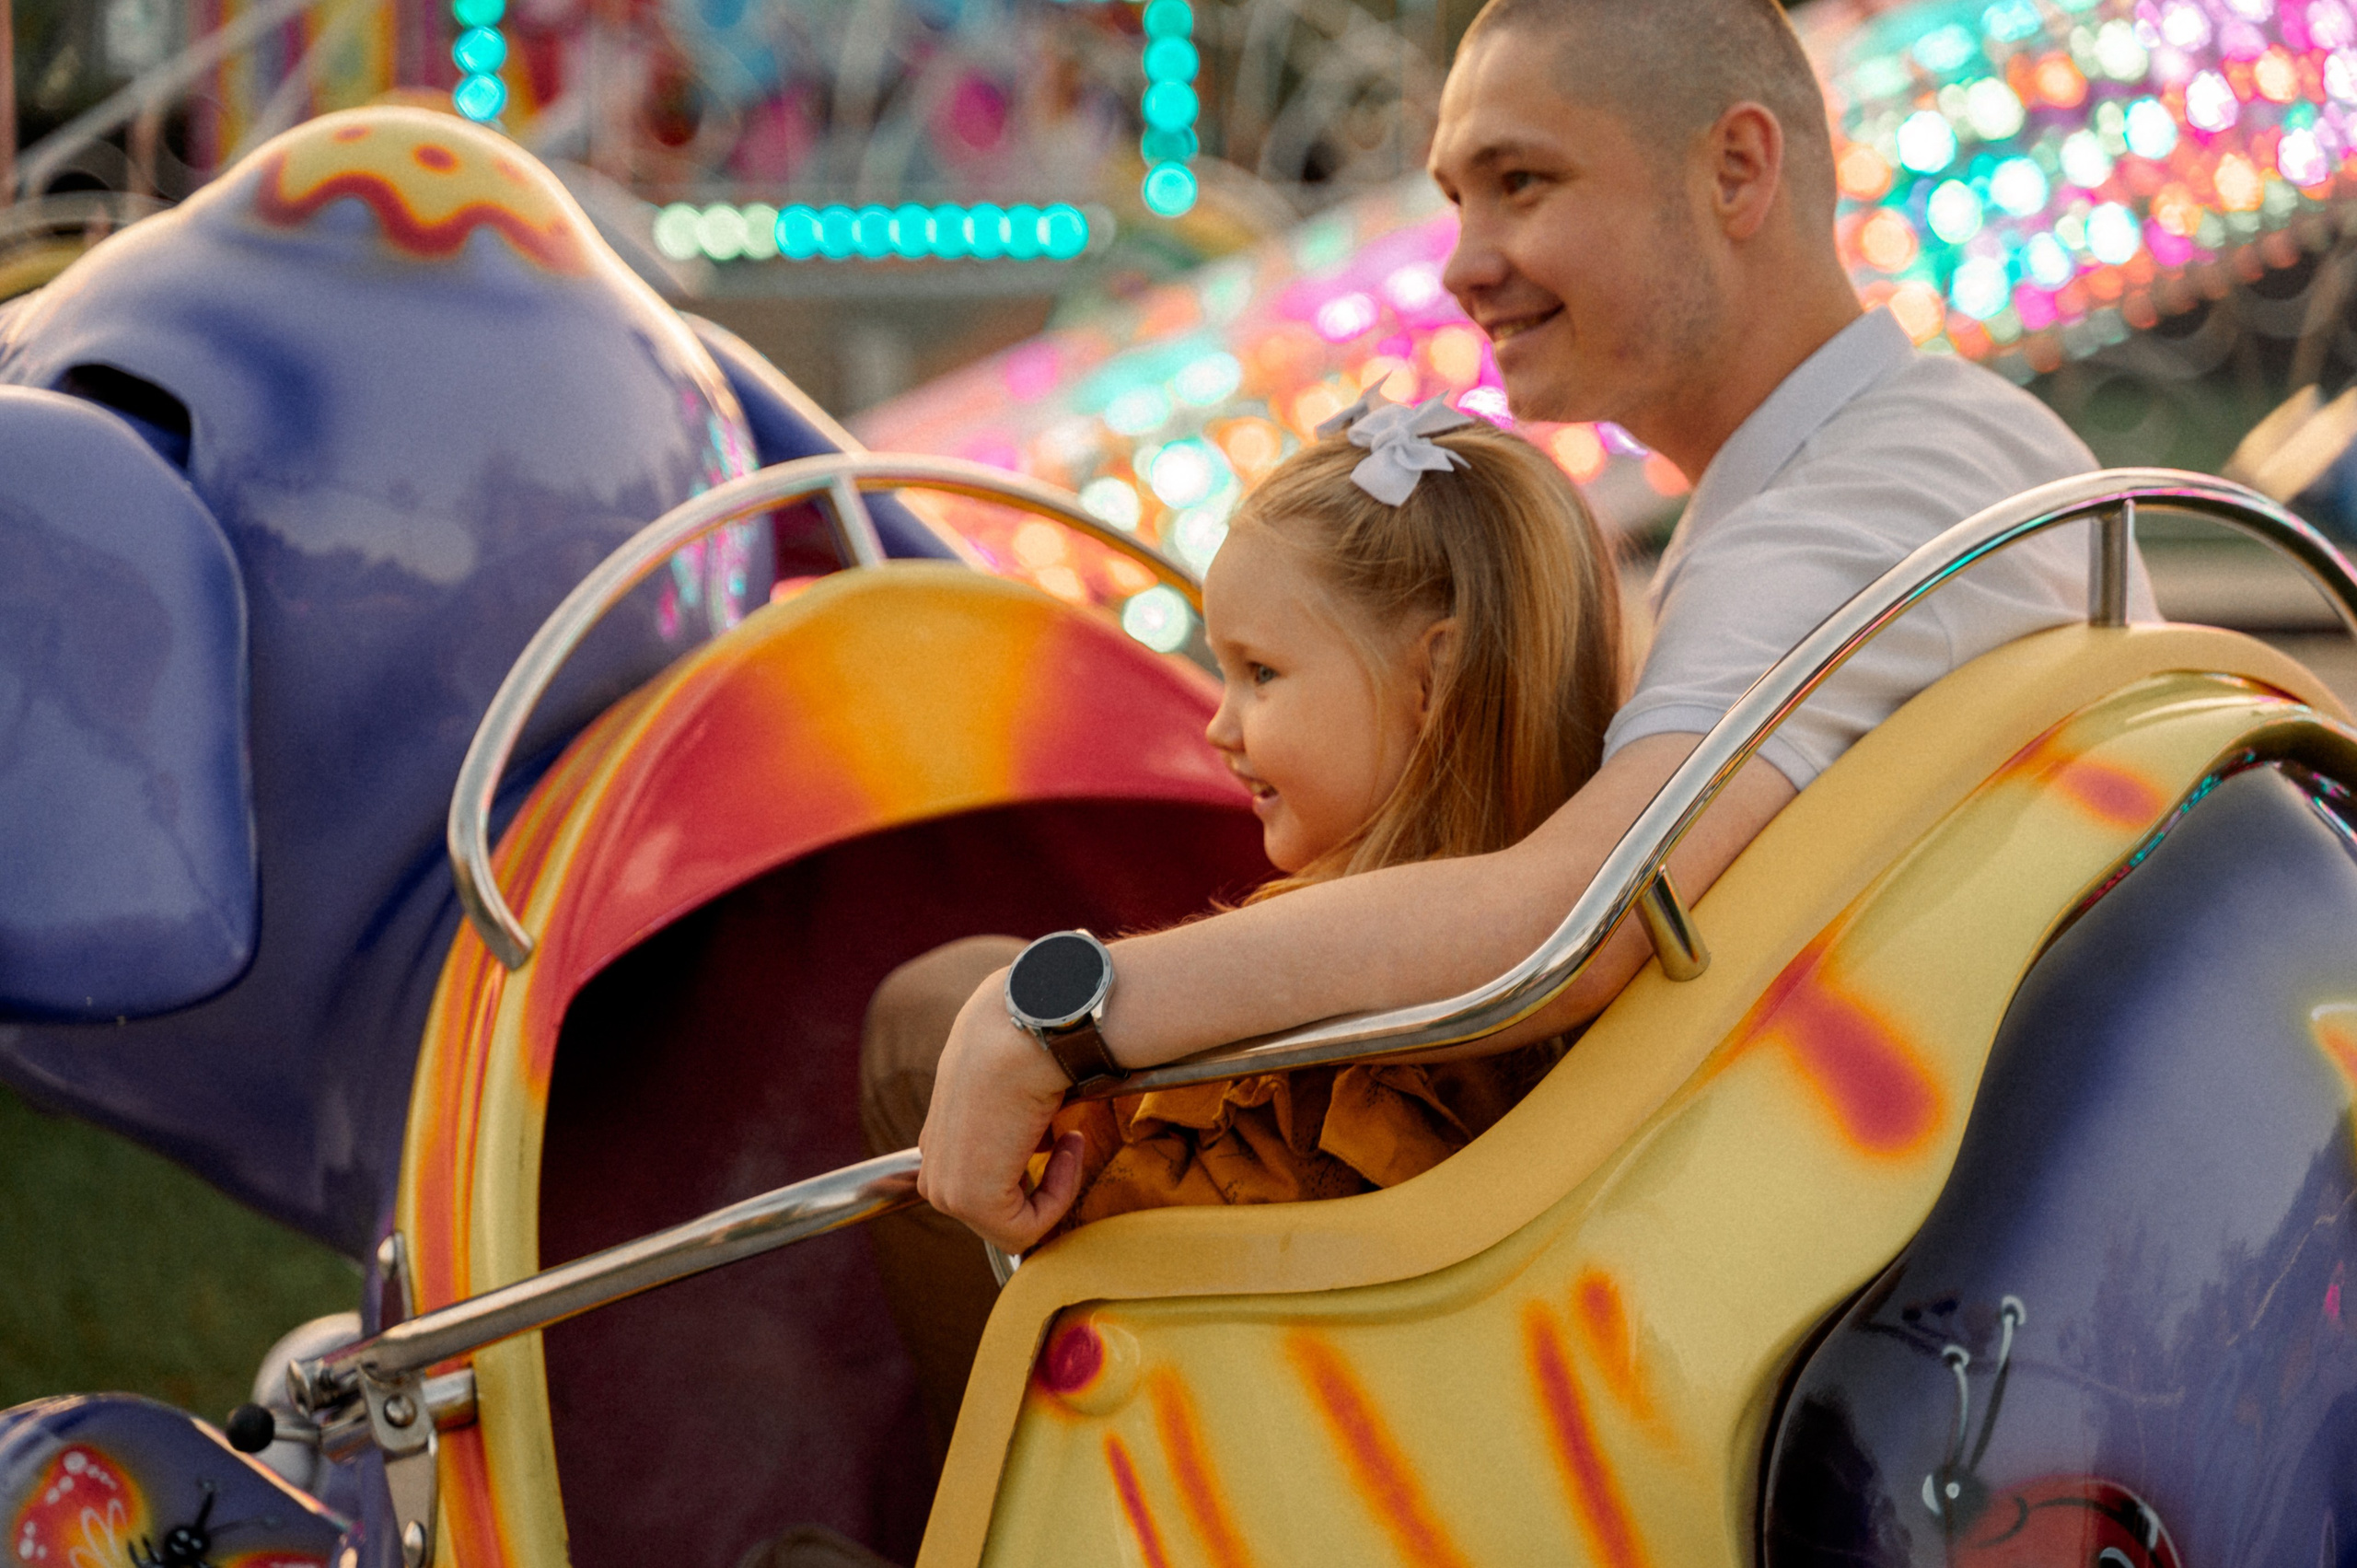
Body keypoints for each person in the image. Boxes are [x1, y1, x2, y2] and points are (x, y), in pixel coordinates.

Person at [914, 0, 2159, 1259]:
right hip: (1880, 1222)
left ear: (1738, 170)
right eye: (1460, 199)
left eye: (1523, 183)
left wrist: (1060, 1014)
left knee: (931, 1019)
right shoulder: (1945, 447)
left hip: (1807, 1278)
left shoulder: (1850, 512)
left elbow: (1569, 925)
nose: (1463, 263)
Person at [860, 396, 1622, 1454]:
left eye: (1259, 672)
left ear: (1433, 679)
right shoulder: (1561, 909)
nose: (1218, 725)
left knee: (920, 1016)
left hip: (1217, 1452)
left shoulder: (1338, 1050)